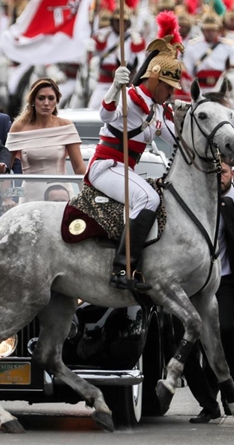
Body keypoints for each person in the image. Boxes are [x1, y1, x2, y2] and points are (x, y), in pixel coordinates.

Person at [86, 30, 183, 292]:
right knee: (148, 198)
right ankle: (122, 268)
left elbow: (176, 142)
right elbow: (106, 116)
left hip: (125, 169)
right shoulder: (130, 97)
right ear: (155, 80)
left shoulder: (160, 107)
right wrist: (114, 87)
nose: (171, 93)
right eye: (168, 87)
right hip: (106, 166)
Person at [187, 163, 234, 423]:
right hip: (196, 282)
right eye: (212, 172)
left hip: (233, 279)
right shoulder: (194, 203)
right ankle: (211, 403)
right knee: (197, 344)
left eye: (222, 171)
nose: (218, 176)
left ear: (233, 173)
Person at [6, 78, 86, 202]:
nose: (46, 103)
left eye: (51, 98)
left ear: (57, 101)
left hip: (61, 195)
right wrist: (6, 198)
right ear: (33, 100)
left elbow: (79, 168)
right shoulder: (19, 126)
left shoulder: (65, 126)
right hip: (30, 196)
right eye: (41, 98)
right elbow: (6, 168)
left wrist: (86, 199)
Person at [88, 0, 146, 110]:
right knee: (92, 107)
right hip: (104, 81)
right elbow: (94, 56)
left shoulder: (135, 37)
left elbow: (141, 61)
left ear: (128, 23)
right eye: (117, 21)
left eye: (123, 21)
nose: (120, 24)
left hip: (126, 82)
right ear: (112, 21)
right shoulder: (102, 34)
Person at [182, 12, 234, 95]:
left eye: (213, 30)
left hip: (223, 90)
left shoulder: (230, 47)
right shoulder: (192, 46)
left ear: (219, 30)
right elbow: (188, 71)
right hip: (199, 89)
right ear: (202, 30)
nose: (210, 33)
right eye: (208, 30)